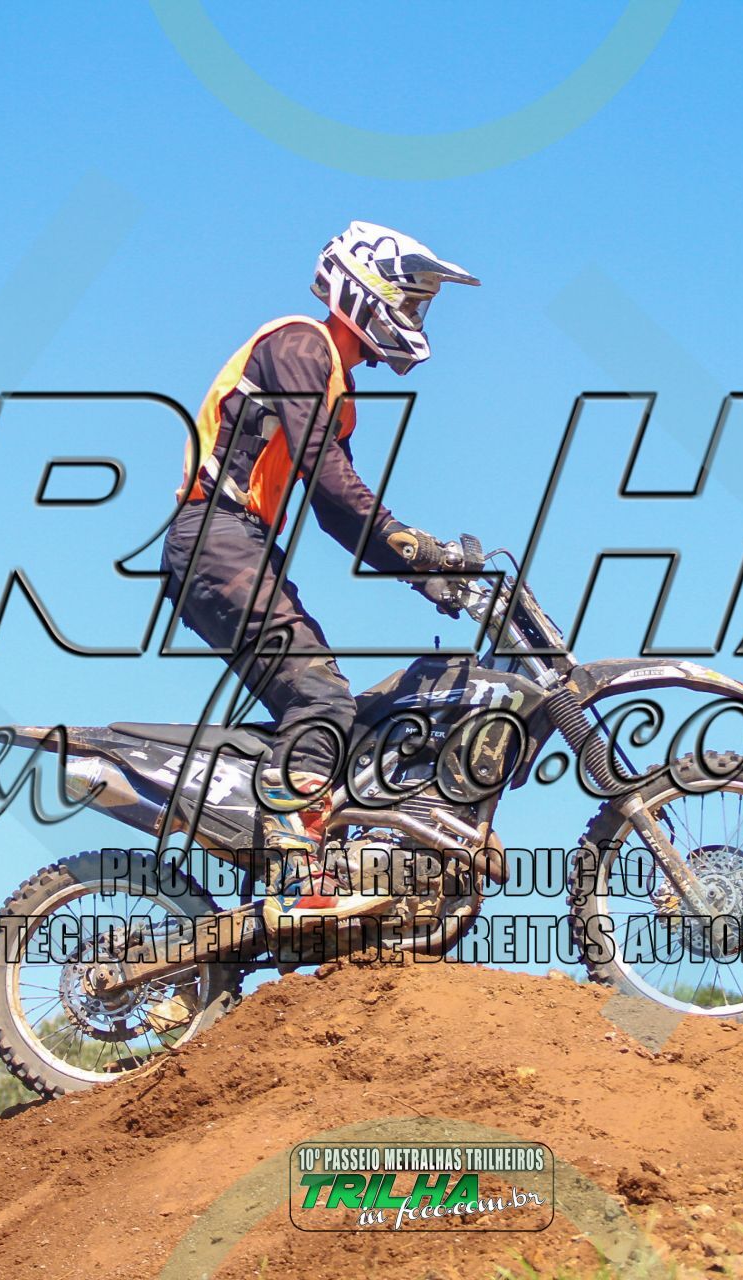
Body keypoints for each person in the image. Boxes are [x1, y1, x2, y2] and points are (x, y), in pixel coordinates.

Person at [162, 221, 477, 934]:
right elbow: (330, 479)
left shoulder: (337, 385)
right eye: (412, 300)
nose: (416, 317)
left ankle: (325, 838)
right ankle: (295, 874)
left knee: (340, 707)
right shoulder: (301, 344)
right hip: (214, 538)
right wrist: (418, 546)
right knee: (320, 697)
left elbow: (337, 513)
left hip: (239, 546)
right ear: (367, 286)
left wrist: (421, 572)